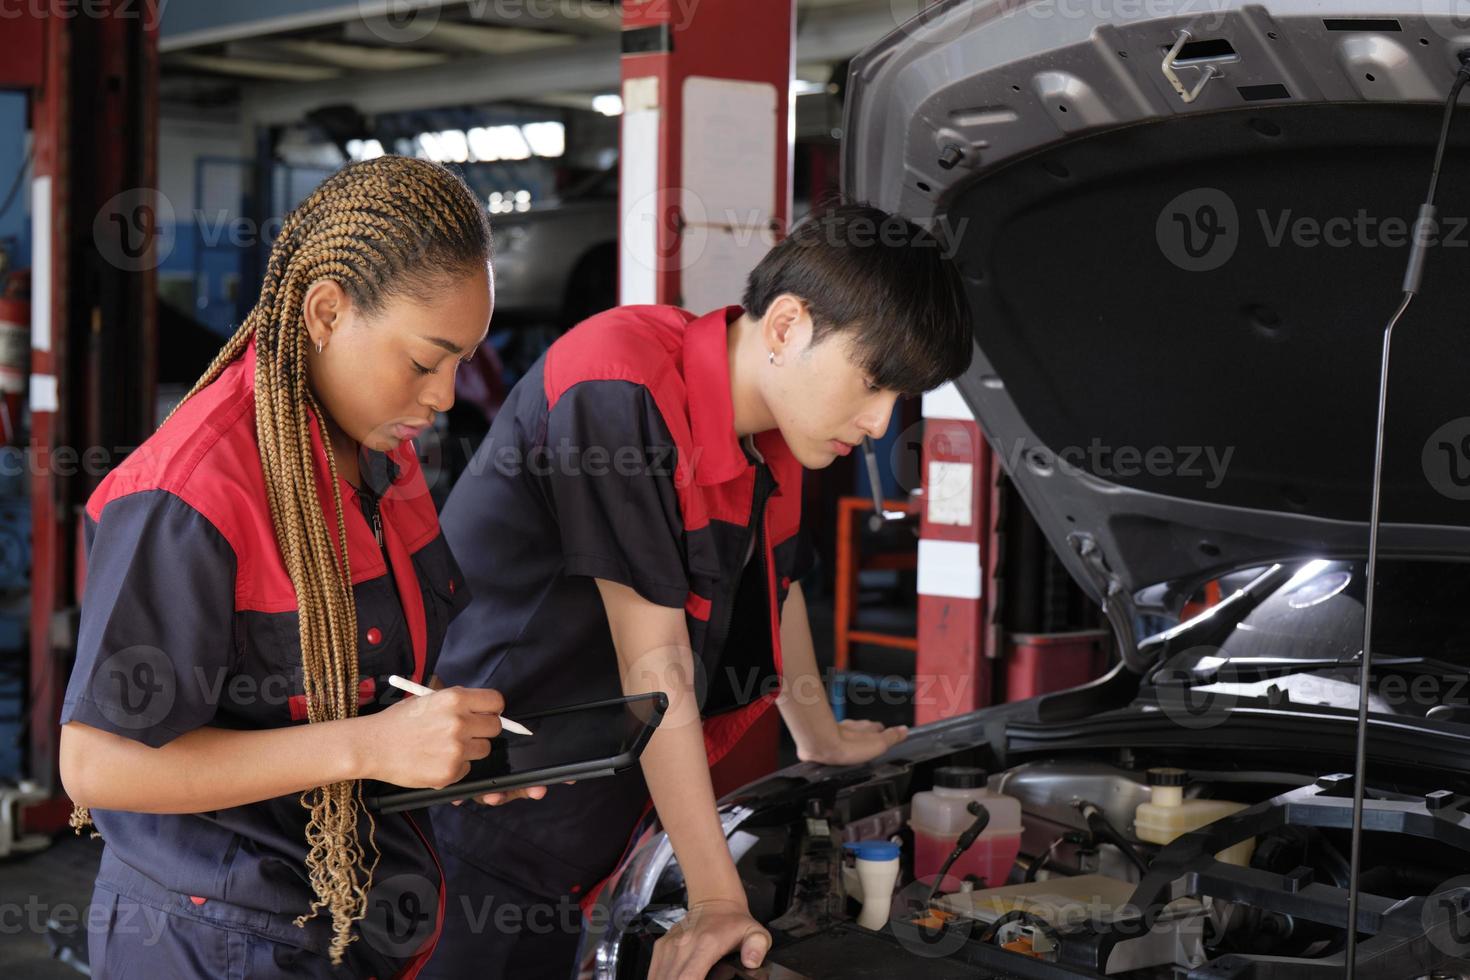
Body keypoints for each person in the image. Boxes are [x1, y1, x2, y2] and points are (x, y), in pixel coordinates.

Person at [425, 203, 974, 979]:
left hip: (592, 821)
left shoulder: (770, 433)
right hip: (482, 816)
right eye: (875, 382)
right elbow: (655, 662)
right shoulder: (619, 387)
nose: (883, 424)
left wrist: (819, 736)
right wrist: (718, 899)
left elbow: (775, 584)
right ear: (786, 327)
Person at [58, 155, 538, 978]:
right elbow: (97, 764)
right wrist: (370, 747)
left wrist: (441, 752)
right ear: (325, 311)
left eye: (463, 361)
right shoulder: (191, 495)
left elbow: (376, 686)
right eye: (425, 362)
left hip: (348, 918)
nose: (447, 395)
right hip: (210, 940)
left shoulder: (384, 454)